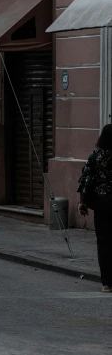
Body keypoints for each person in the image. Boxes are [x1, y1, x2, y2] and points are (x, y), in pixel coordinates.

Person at [78, 124, 112, 293]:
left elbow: (85, 180)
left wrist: (82, 202)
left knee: (104, 241)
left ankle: (106, 283)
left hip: (102, 201)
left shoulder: (95, 157)